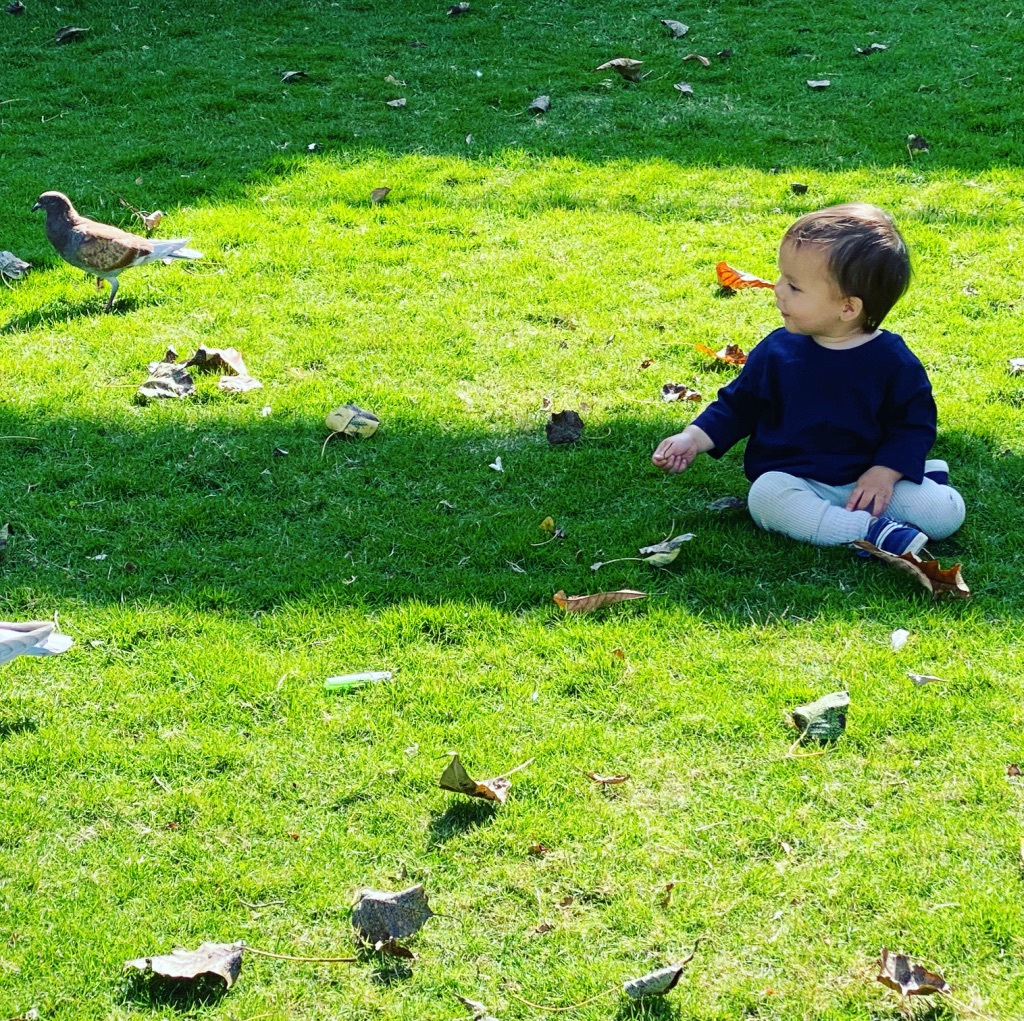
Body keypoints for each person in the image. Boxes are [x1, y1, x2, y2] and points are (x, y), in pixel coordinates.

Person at [652, 203, 965, 556]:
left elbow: (913, 425)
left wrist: (887, 471)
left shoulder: (892, 360)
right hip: (796, 481)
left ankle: (921, 480)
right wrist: (692, 439)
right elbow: (737, 406)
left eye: (795, 287)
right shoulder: (777, 351)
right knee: (765, 497)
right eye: (782, 277)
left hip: (867, 479)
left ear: (848, 307)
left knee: (944, 514)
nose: (778, 289)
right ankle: (869, 532)